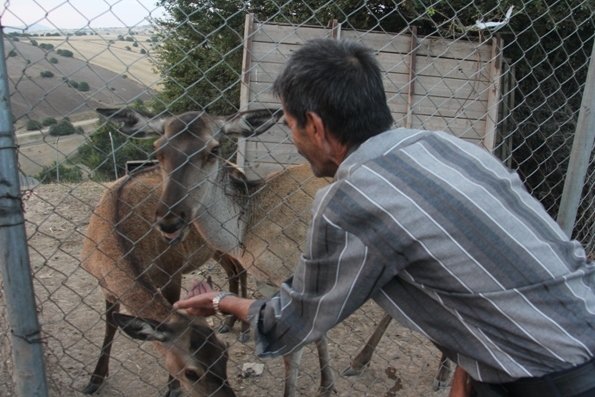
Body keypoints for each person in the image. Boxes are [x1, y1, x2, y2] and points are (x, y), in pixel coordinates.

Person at [174, 38, 595, 397]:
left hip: (545, 378)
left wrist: (218, 301)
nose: (292, 139)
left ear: (316, 127)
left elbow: (291, 322)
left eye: (290, 125)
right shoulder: (449, 147)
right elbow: (498, 268)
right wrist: (470, 367)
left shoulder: (349, 200)